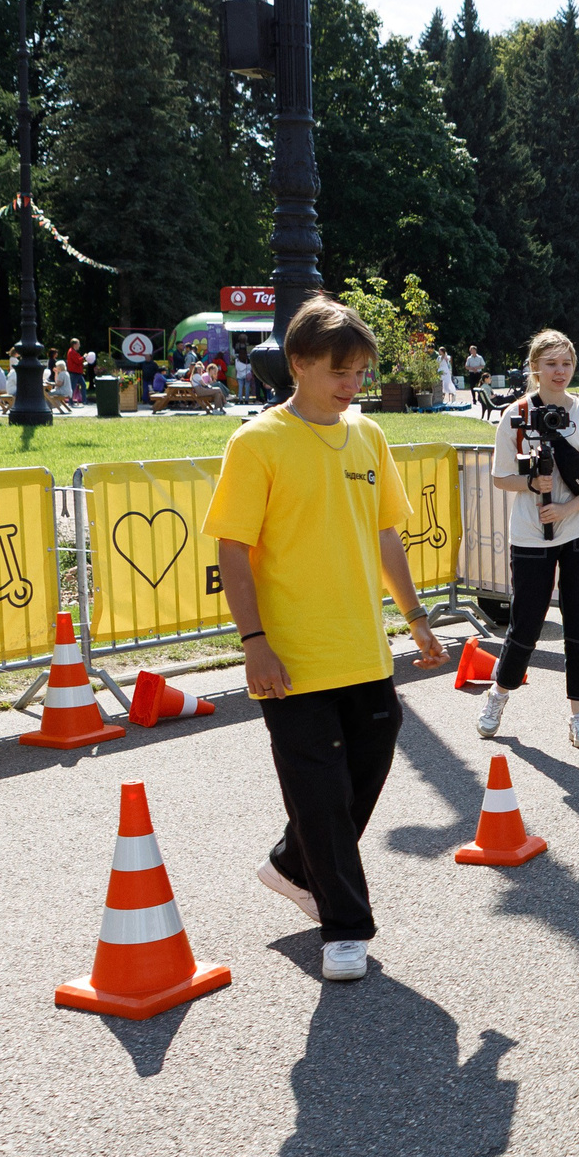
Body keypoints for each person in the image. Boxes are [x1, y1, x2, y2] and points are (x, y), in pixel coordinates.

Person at [208, 295, 446, 985]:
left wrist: (418, 619)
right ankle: (345, 924)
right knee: (317, 789)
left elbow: (385, 535)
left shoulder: (368, 437)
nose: (353, 384)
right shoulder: (256, 442)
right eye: (340, 370)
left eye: (360, 371)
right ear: (300, 362)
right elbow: (231, 547)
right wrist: (253, 639)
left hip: (362, 648)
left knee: (363, 769)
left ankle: (292, 862)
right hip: (289, 654)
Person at [480, 330, 579, 748]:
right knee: (525, 623)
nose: (559, 372)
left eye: (566, 364)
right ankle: (499, 694)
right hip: (530, 534)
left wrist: (567, 509)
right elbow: (499, 477)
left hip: (578, 530)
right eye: (551, 364)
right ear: (535, 368)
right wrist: (531, 482)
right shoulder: (516, 414)